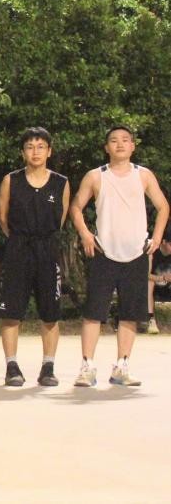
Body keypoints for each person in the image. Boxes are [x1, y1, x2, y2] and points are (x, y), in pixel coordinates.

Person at [69, 125, 168, 387]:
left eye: (125, 140)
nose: (120, 144)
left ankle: (122, 366)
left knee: (130, 313)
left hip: (136, 253)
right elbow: (76, 207)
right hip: (104, 251)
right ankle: (87, 366)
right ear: (106, 147)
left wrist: (157, 238)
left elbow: (163, 206)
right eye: (114, 140)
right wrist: (85, 234)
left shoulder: (143, 175)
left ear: (133, 146)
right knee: (93, 311)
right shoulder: (95, 176)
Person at [0, 127, 70, 387]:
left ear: (49, 151)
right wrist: (18, 238)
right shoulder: (11, 180)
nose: (35, 152)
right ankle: (11, 366)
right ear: (22, 152)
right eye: (30, 147)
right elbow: (2, 217)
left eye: (40, 147)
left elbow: (60, 218)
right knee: (11, 312)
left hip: (47, 250)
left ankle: (48, 367)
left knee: (50, 313)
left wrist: (44, 240)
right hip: (18, 249)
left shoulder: (61, 182)